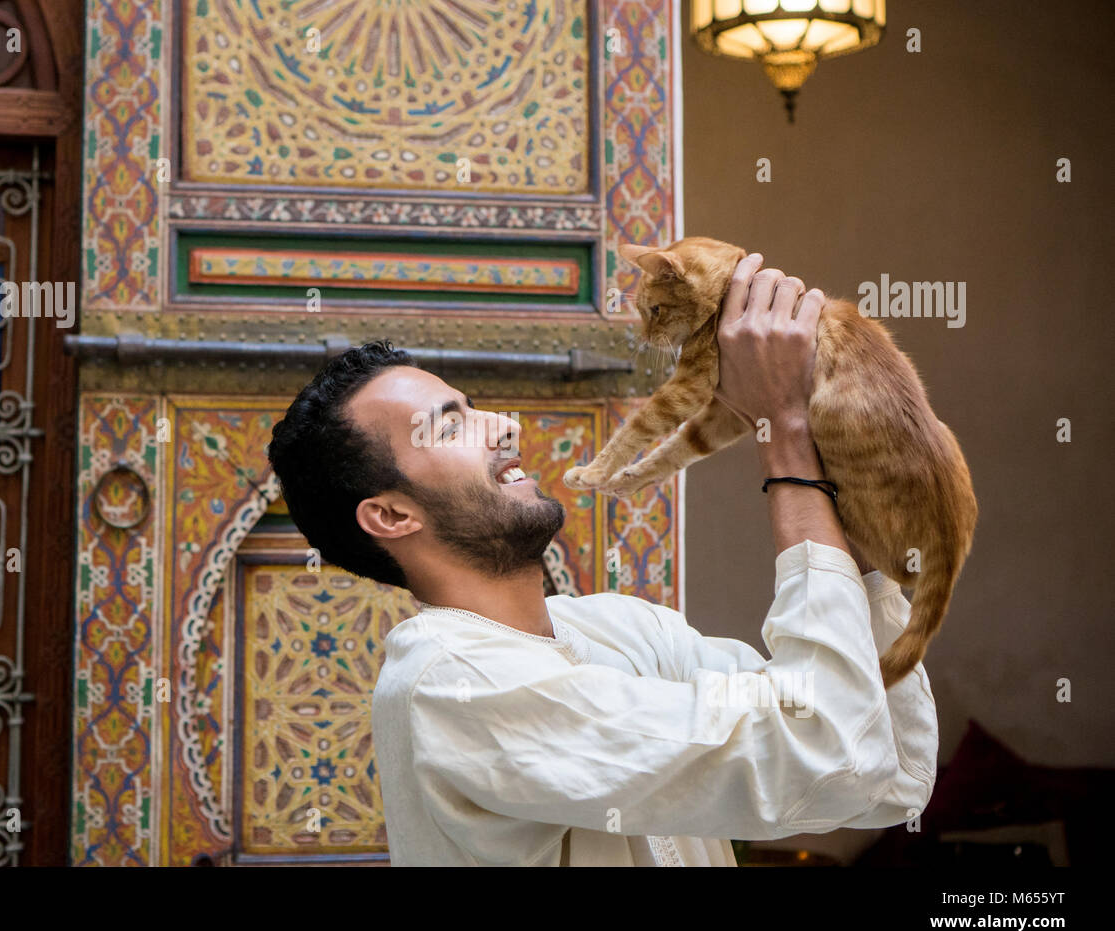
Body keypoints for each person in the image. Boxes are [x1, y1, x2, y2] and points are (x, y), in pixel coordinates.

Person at [266, 254, 937, 866]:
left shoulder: (625, 631)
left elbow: (885, 775)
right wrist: (783, 430)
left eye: (474, 408)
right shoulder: (449, 685)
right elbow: (821, 751)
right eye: (449, 424)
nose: (503, 426)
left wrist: (843, 464)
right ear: (390, 515)